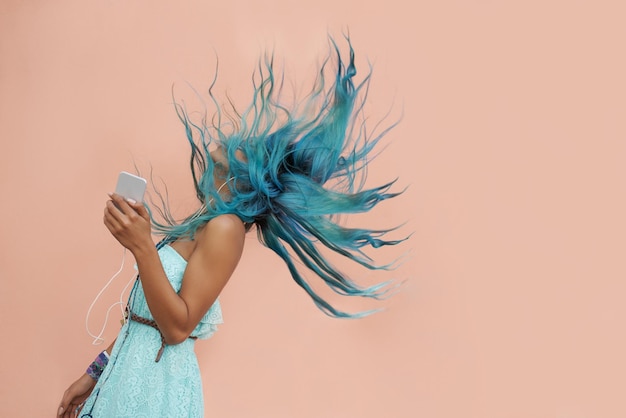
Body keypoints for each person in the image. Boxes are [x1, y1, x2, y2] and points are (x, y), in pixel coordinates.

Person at [58, 36, 404, 418]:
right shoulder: (203, 223)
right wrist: (94, 373)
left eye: (251, 148)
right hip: (128, 377)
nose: (236, 140)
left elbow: (176, 328)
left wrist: (142, 246)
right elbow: (146, 318)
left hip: (156, 390)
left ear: (250, 176)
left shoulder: (226, 228)